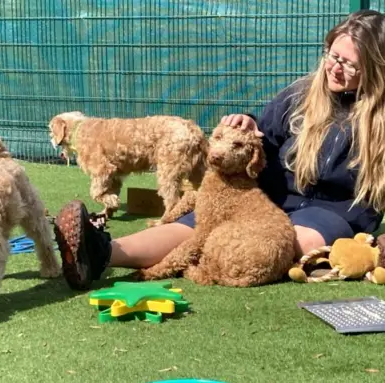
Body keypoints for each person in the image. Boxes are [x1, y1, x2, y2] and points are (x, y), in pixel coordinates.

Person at [54, 9, 385, 290]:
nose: (334, 68)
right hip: (268, 196)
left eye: (350, 65)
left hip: (333, 211)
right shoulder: (301, 94)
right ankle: (99, 251)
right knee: (203, 220)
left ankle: (205, 262)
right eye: (332, 56)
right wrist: (249, 125)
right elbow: (264, 138)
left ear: (375, 68)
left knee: (293, 243)